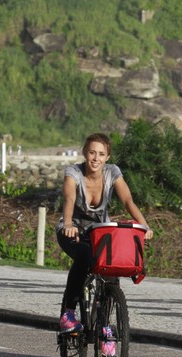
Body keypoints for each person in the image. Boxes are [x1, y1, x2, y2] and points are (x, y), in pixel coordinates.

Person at [57, 132, 153, 334]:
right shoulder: (73, 173)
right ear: (85, 153)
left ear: (107, 157)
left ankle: (104, 325)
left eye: (101, 154)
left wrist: (144, 227)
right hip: (72, 231)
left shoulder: (112, 173)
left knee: (112, 266)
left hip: (99, 233)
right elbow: (69, 200)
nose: (96, 158)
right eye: (92, 153)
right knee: (83, 256)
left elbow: (128, 201)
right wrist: (67, 223)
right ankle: (69, 313)